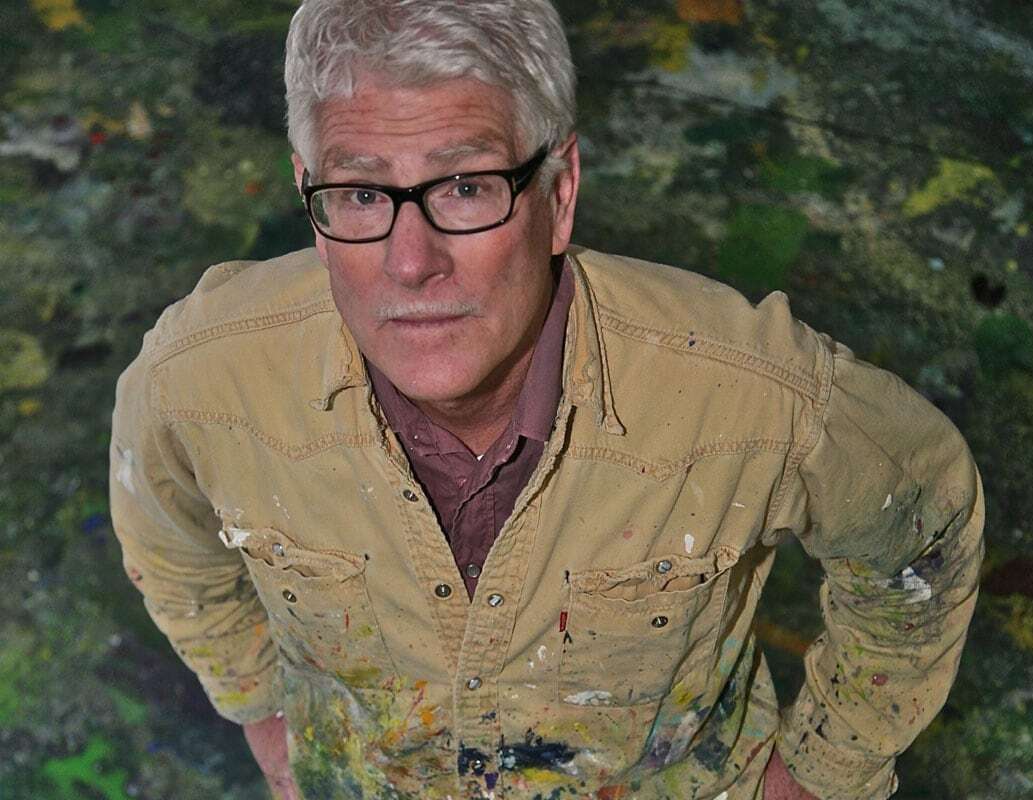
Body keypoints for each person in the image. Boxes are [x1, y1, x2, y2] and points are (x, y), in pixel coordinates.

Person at [108, 1, 985, 798]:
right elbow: (165, 534)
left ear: (559, 195)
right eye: (363, 194)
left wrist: (826, 771)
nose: (410, 264)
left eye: (466, 188)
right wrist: (261, 709)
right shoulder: (204, 381)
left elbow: (924, 526)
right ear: (309, 198)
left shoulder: (752, 395)